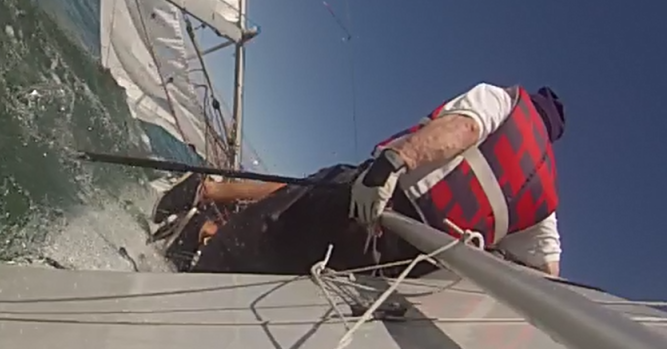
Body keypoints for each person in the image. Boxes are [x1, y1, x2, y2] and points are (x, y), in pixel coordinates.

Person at [189, 83, 565, 277]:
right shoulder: (544, 207)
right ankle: (208, 219)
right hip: (396, 266)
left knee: (257, 236)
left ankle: (206, 242)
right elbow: (548, 273)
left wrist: (394, 162)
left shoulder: (503, 101)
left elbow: (464, 128)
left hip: (366, 207)